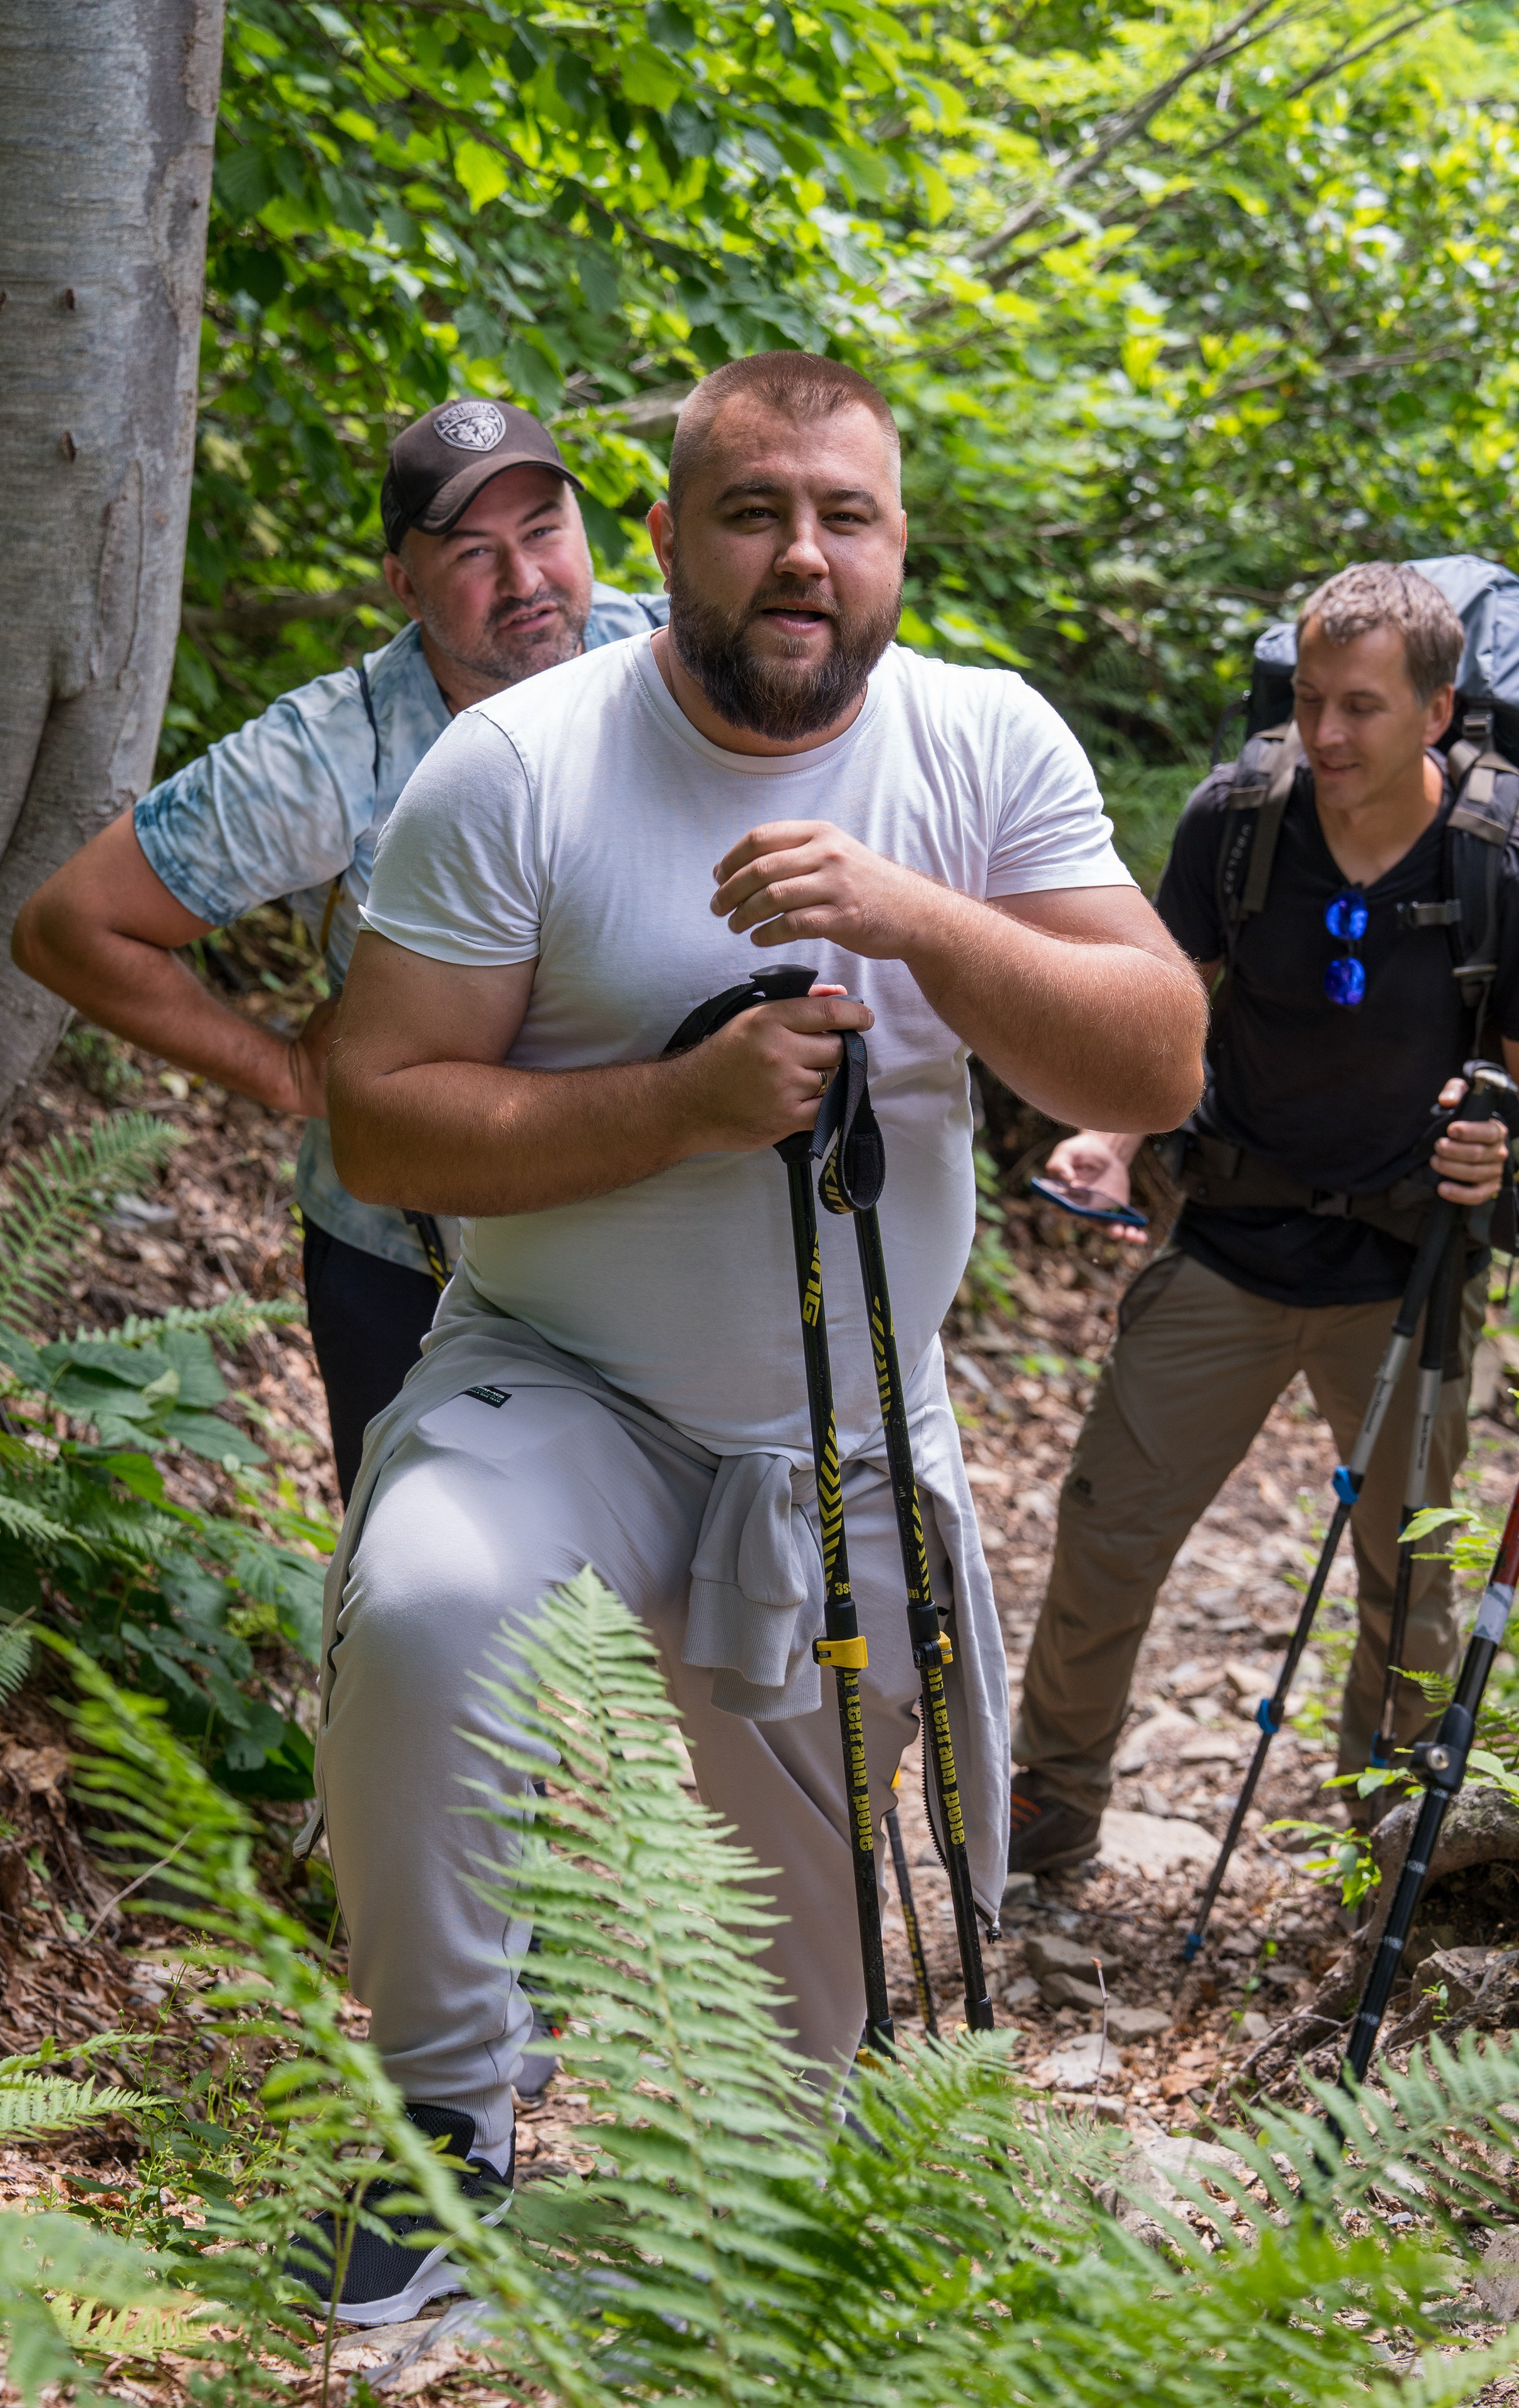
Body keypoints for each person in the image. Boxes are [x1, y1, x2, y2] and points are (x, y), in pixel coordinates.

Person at [305, 349, 1204, 2323]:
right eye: (754, 511)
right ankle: (441, 2120)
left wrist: (918, 923)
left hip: (853, 1433)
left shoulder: (980, 747)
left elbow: (1157, 1048)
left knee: (806, 2065)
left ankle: (784, 2246)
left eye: (847, 517)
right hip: (560, 1379)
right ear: (667, 539)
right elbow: (378, 1115)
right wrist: (677, 1105)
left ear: (897, 545)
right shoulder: (522, 767)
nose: (804, 555)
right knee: (433, 1602)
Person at [11, 401, 667, 1499]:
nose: (525, 580)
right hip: (410, 1265)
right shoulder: (334, 751)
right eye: (472, 553)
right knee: (415, 1608)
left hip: (643, 1242)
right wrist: (281, 1071)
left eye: (545, 530)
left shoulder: (666, 664)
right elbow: (70, 926)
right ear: (403, 587)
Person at [1008, 561, 1519, 1878]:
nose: (1325, 735)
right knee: (1105, 1533)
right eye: (1307, 700)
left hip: (1406, 1267)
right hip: (1229, 1240)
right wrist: (1109, 1138)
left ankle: (1387, 1846)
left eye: (1358, 706)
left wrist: (1493, 1138)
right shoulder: (1236, 821)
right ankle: (1046, 1819)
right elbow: (1161, 994)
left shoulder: (1495, 856)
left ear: (1438, 710)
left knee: (1407, 1579)